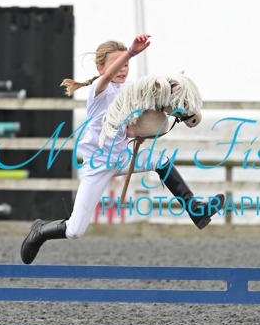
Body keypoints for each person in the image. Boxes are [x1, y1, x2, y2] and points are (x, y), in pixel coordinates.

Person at [21, 34, 225, 264]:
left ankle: (195, 209)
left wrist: (141, 133)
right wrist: (131, 52)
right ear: (100, 68)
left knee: (160, 160)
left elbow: (131, 125)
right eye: (118, 64)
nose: (123, 69)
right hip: (98, 164)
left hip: (122, 157)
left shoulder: (129, 89)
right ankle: (40, 232)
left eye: (127, 65)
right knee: (75, 230)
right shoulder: (99, 90)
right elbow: (109, 77)